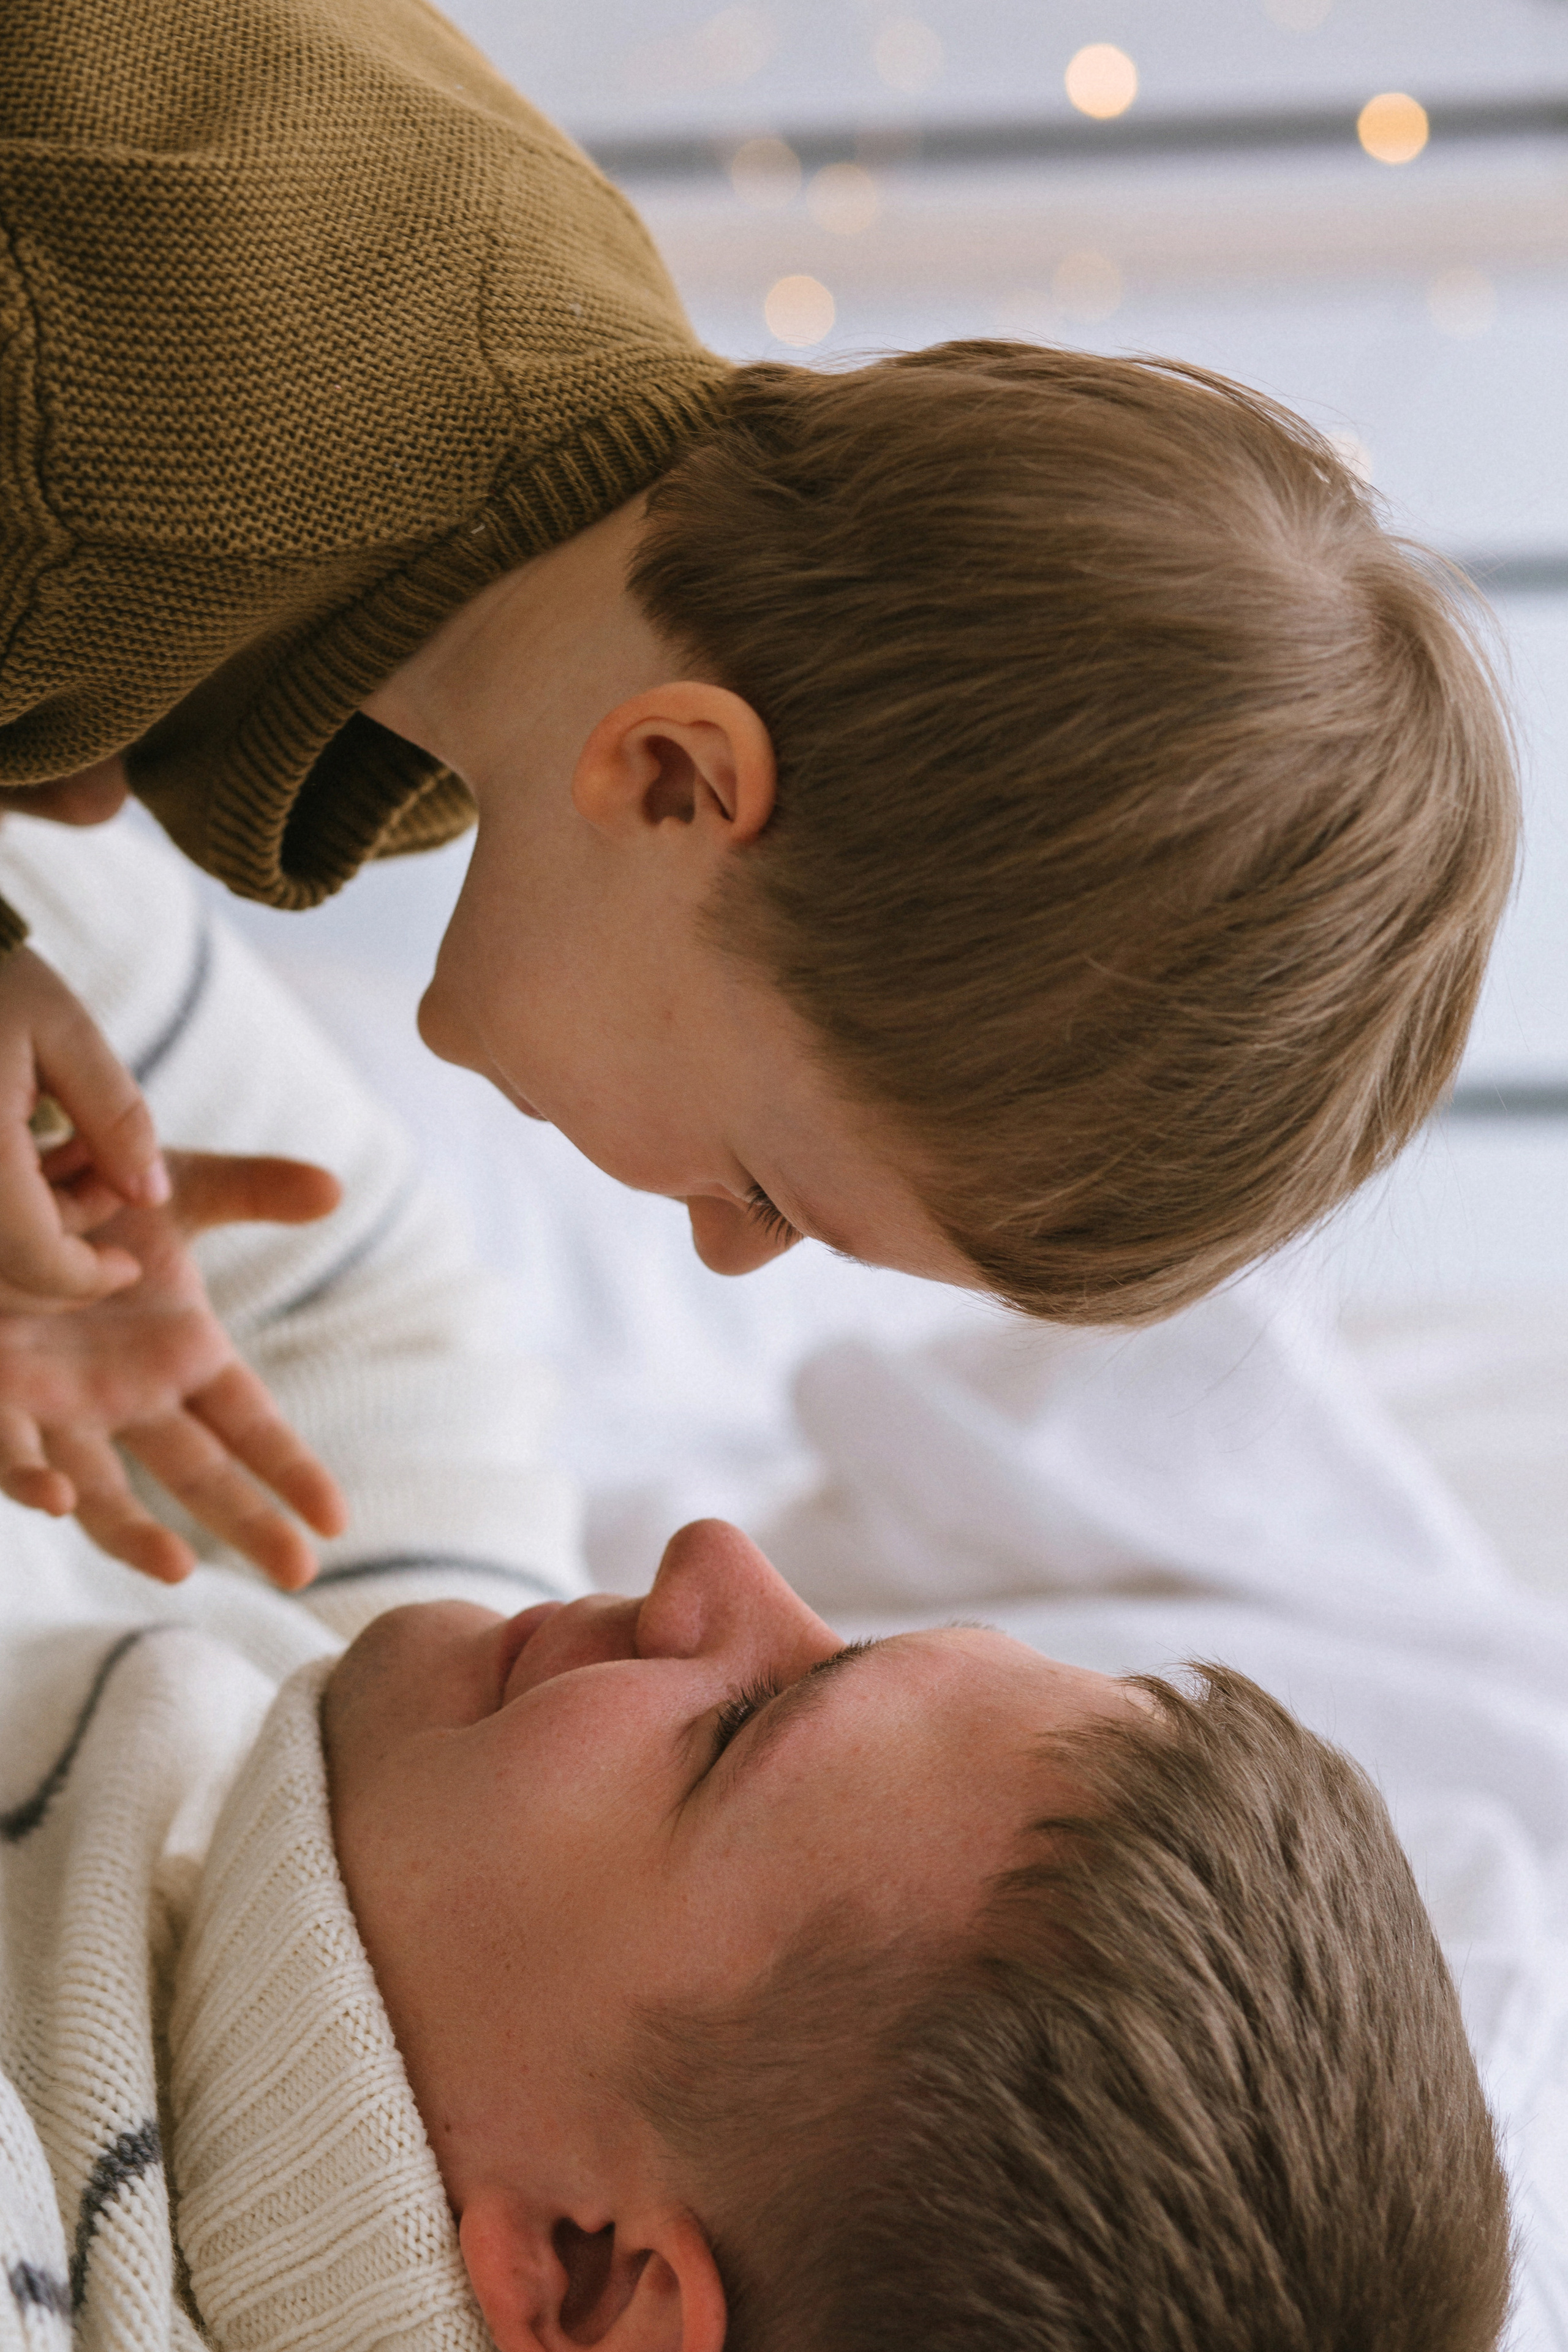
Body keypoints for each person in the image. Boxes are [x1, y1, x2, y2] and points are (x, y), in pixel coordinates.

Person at [0, 0, 1519, 1581]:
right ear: (670, 782)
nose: (721, 1250)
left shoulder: (510, 523)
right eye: (768, 1196)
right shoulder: (103, 430)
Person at [0, 818, 1516, 2352]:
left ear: (592, 2275)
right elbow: (364, 1307)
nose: (713, 1567)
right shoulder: (409, 1805)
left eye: (734, 1737)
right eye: (838, 1637)